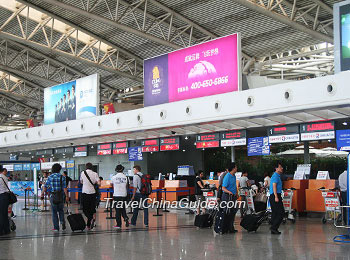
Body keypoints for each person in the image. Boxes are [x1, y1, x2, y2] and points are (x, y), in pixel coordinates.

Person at [41, 163, 69, 232]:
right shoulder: (62, 177)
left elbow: (45, 186)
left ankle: (56, 227)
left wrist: (42, 194)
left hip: (53, 196)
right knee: (61, 210)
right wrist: (67, 196)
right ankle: (62, 222)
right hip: (61, 195)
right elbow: (65, 188)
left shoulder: (50, 177)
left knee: (54, 212)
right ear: (59, 169)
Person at [80, 163, 100, 230]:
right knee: (92, 208)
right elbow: (99, 183)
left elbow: (81, 182)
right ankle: (89, 224)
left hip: (85, 192)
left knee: (85, 209)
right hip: (92, 193)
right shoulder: (95, 174)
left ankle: (90, 218)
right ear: (92, 167)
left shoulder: (83, 173)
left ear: (86, 167)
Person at [221, 163, 238, 233]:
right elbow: (223, 188)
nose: (237, 168)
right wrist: (229, 192)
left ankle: (231, 227)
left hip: (233, 196)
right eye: (236, 167)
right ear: (233, 168)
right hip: (227, 196)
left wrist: (236, 193)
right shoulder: (227, 176)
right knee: (227, 212)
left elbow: (234, 186)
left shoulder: (234, 176)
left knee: (233, 211)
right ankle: (225, 227)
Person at [111, 164, 130, 229]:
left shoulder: (113, 177)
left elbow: (111, 185)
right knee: (123, 208)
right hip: (124, 195)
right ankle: (125, 217)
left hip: (117, 195)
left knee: (118, 210)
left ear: (116, 170)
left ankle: (118, 224)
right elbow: (127, 186)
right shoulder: (126, 177)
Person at [269, 162, 284, 235]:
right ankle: (274, 227)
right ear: (276, 168)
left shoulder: (277, 176)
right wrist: (276, 196)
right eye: (280, 167)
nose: (282, 168)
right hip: (275, 195)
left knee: (275, 213)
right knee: (280, 212)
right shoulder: (275, 176)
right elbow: (274, 186)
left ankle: (274, 228)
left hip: (276, 195)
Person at [0, 165, 10, 236]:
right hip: (5, 196)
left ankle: (2, 230)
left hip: (1, 196)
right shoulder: (4, 177)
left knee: (1, 214)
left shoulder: (1, 177)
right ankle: (6, 229)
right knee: (4, 214)